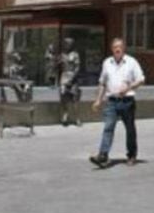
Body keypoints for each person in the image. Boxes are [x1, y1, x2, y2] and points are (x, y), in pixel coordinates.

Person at [89, 37, 144, 168]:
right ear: (112, 49)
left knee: (130, 129)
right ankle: (103, 155)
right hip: (111, 102)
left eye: (119, 47)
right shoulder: (107, 63)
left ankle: (131, 155)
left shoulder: (131, 62)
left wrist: (128, 88)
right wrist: (98, 100)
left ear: (123, 48)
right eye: (115, 47)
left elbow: (141, 79)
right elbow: (102, 82)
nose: (117, 49)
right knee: (108, 128)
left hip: (127, 101)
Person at [58, 37, 82, 126]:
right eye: (66, 43)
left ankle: (77, 118)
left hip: (73, 77)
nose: (67, 45)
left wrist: (71, 79)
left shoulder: (75, 55)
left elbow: (77, 68)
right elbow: (58, 67)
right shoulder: (62, 55)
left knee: (74, 99)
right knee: (63, 97)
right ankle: (65, 114)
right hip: (64, 77)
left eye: (69, 43)